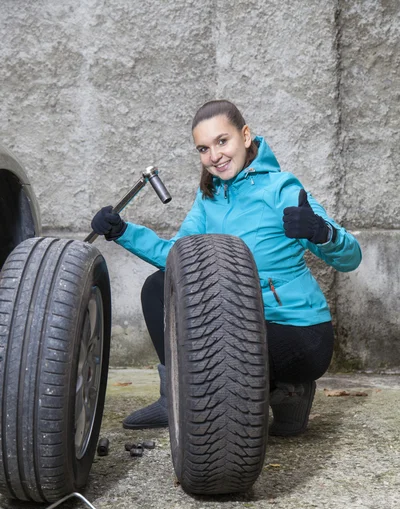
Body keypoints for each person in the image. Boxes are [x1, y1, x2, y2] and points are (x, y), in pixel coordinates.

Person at [91, 99, 362, 436]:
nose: (214, 156)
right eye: (204, 148)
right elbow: (178, 255)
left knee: (222, 357)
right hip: (239, 323)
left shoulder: (281, 189)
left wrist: (322, 233)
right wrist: (123, 232)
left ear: (245, 136)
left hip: (297, 332)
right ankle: (173, 396)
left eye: (222, 141)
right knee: (159, 286)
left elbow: (351, 257)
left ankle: (290, 390)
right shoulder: (209, 198)